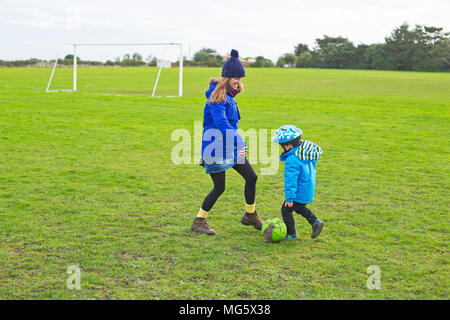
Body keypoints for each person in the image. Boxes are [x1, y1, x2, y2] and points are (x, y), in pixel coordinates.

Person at [191, 49, 264, 236]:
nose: (239, 81)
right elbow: (222, 124)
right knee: (219, 187)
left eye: (241, 78)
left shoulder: (229, 96)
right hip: (215, 148)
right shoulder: (217, 97)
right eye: (235, 78)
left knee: (251, 177)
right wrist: (240, 140)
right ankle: (199, 220)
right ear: (227, 77)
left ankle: (250, 214)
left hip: (230, 147)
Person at [272, 125, 325, 240]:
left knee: (285, 210)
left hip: (299, 191)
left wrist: (289, 198)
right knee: (299, 208)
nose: (282, 148)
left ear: (289, 145)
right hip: (307, 188)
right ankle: (315, 222)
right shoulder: (305, 152)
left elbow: (291, 180)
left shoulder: (292, 159)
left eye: (283, 146)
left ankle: (291, 234)